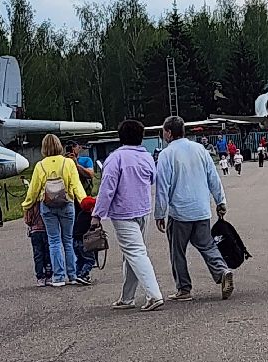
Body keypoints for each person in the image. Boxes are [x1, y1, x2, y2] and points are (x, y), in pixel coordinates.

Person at [155, 115, 234, 302]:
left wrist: (160, 213)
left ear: (168, 133)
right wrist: (220, 201)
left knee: (178, 251)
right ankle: (222, 271)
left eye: (164, 131)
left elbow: (162, 187)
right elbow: (213, 177)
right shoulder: (200, 149)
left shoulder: (166, 154)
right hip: (201, 209)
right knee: (207, 245)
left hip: (180, 212)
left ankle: (184, 289)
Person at [93, 117, 164, 311]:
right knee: (132, 254)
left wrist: (97, 214)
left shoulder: (115, 158)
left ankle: (154, 295)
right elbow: (152, 179)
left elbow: (107, 189)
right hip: (143, 210)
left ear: (120, 137)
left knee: (135, 253)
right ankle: (127, 297)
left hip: (123, 213)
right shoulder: (147, 157)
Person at [21, 133, 88, 288]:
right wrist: (84, 202)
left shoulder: (40, 166)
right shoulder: (68, 163)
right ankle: (72, 275)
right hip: (67, 204)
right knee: (68, 241)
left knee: (54, 241)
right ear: (59, 146)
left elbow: (33, 190)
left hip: (48, 207)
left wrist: (26, 206)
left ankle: (58, 277)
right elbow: (76, 185)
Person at [72, 195, 99, 285]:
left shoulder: (80, 215)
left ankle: (78, 274)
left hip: (75, 241)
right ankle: (83, 274)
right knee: (90, 260)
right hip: (84, 242)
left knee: (80, 259)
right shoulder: (90, 218)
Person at [26, 201, 52, 285]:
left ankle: (40, 276)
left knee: (38, 254)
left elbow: (28, 220)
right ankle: (49, 274)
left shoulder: (31, 203)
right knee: (47, 253)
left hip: (35, 231)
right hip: (46, 230)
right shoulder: (47, 201)